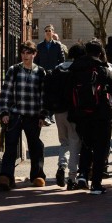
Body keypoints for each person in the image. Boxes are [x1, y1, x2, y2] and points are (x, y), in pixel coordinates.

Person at [67, 39, 112, 194]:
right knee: (100, 149)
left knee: (86, 146)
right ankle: (96, 184)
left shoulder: (75, 68)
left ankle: (82, 175)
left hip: (81, 115)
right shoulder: (102, 69)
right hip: (101, 115)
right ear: (100, 53)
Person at [0, 41, 48, 190]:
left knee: (35, 146)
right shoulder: (14, 70)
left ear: (34, 54)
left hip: (32, 115)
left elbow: (43, 95)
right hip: (15, 115)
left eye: (28, 53)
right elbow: (6, 92)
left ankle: (37, 175)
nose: (25, 56)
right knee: (11, 146)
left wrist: (43, 115)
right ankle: (6, 176)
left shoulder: (40, 72)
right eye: (23, 53)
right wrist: (4, 112)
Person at [44, 42, 84, 190]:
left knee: (64, 142)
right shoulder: (77, 70)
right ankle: (72, 176)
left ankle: (61, 165)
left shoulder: (57, 68)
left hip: (58, 110)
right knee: (75, 142)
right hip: (73, 111)